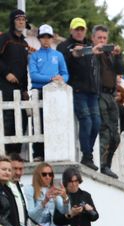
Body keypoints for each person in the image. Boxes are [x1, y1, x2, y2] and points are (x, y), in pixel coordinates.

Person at [58, 17, 102, 171]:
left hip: (92, 91)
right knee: (87, 121)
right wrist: (78, 53)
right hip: (77, 90)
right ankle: (87, 155)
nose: (79, 32)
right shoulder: (64, 46)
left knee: (96, 123)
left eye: (81, 29)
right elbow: (66, 59)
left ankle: (87, 154)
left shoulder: (90, 46)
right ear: (71, 30)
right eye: (76, 29)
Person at [28, 24, 69, 162]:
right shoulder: (34, 56)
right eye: (43, 37)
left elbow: (65, 74)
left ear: (52, 39)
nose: (46, 40)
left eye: (48, 37)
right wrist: (51, 78)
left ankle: (56, 151)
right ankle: (38, 153)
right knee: (38, 122)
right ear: (39, 38)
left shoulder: (58, 55)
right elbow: (33, 76)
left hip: (56, 92)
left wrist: (60, 80)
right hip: (39, 91)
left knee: (56, 121)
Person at [93, 25, 124, 179]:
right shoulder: (92, 53)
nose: (102, 41)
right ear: (94, 38)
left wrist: (118, 55)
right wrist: (96, 52)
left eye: (104, 38)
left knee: (116, 135)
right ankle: (102, 164)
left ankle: (108, 165)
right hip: (99, 94)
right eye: (99, 38)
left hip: (111, 95)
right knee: (105, 131)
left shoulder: (110, 55)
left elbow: (121, 70)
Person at [0, 9, 30, 155]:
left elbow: (24, 69)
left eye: (23, 19)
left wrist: (25, 89)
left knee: (22, 120)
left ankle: (15, 155)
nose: (21, 22)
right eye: (18, 19)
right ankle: (5, 155)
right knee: (8, 119)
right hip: (4, 87)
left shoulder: (24, 43)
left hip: (20, 89)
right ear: (12, 21)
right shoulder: (5, 38)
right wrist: (6, 73)